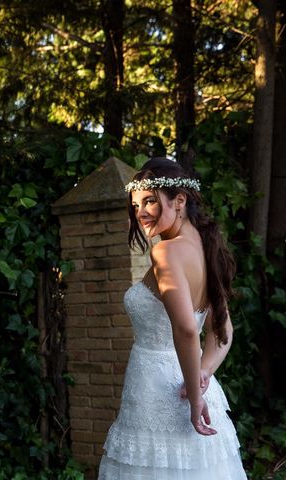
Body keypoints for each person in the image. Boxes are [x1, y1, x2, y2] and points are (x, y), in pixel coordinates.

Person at [98, 158, 246, 479]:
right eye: (136, 205)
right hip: (195, 384)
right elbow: (223, 333)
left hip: (158, 392)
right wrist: (204, 373)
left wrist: (195, 399)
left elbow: (186, 330)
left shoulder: (165, 252)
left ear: (179, 201)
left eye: (150, 201)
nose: (141, 212)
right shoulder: (207, 249)